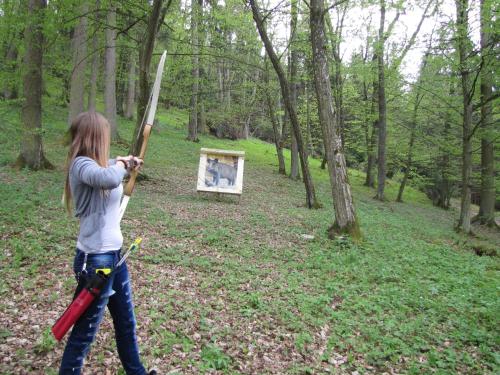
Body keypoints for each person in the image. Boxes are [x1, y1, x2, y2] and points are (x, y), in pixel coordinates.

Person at [59, 111, 155, 375]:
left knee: (126, 323)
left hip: (114, 257)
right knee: (84, 334)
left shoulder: (99, 165)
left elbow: (109, 168)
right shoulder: (80, 165)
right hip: (96, 263)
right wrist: (123, 165)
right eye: (104, 134)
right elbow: (109, 178)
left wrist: (125, 161)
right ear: (94, 137)